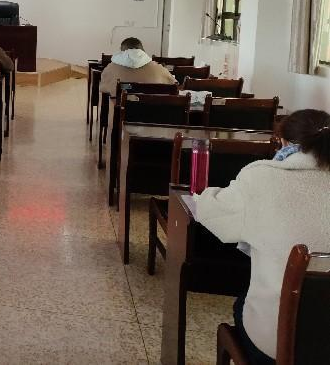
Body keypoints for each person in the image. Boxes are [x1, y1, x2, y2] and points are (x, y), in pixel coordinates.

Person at [195, 109, 330, 364]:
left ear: (284, 143)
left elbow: (211, 213)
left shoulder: (261, 177)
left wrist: (208, 194)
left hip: (279, 346)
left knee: (245, 301)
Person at [98, 37, 176, 96]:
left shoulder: (112, 67)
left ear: (122, 51)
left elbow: (103, 88)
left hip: (123, 110)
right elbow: (174, 86)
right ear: (143, 51)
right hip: (154, 110)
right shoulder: (159, 69)